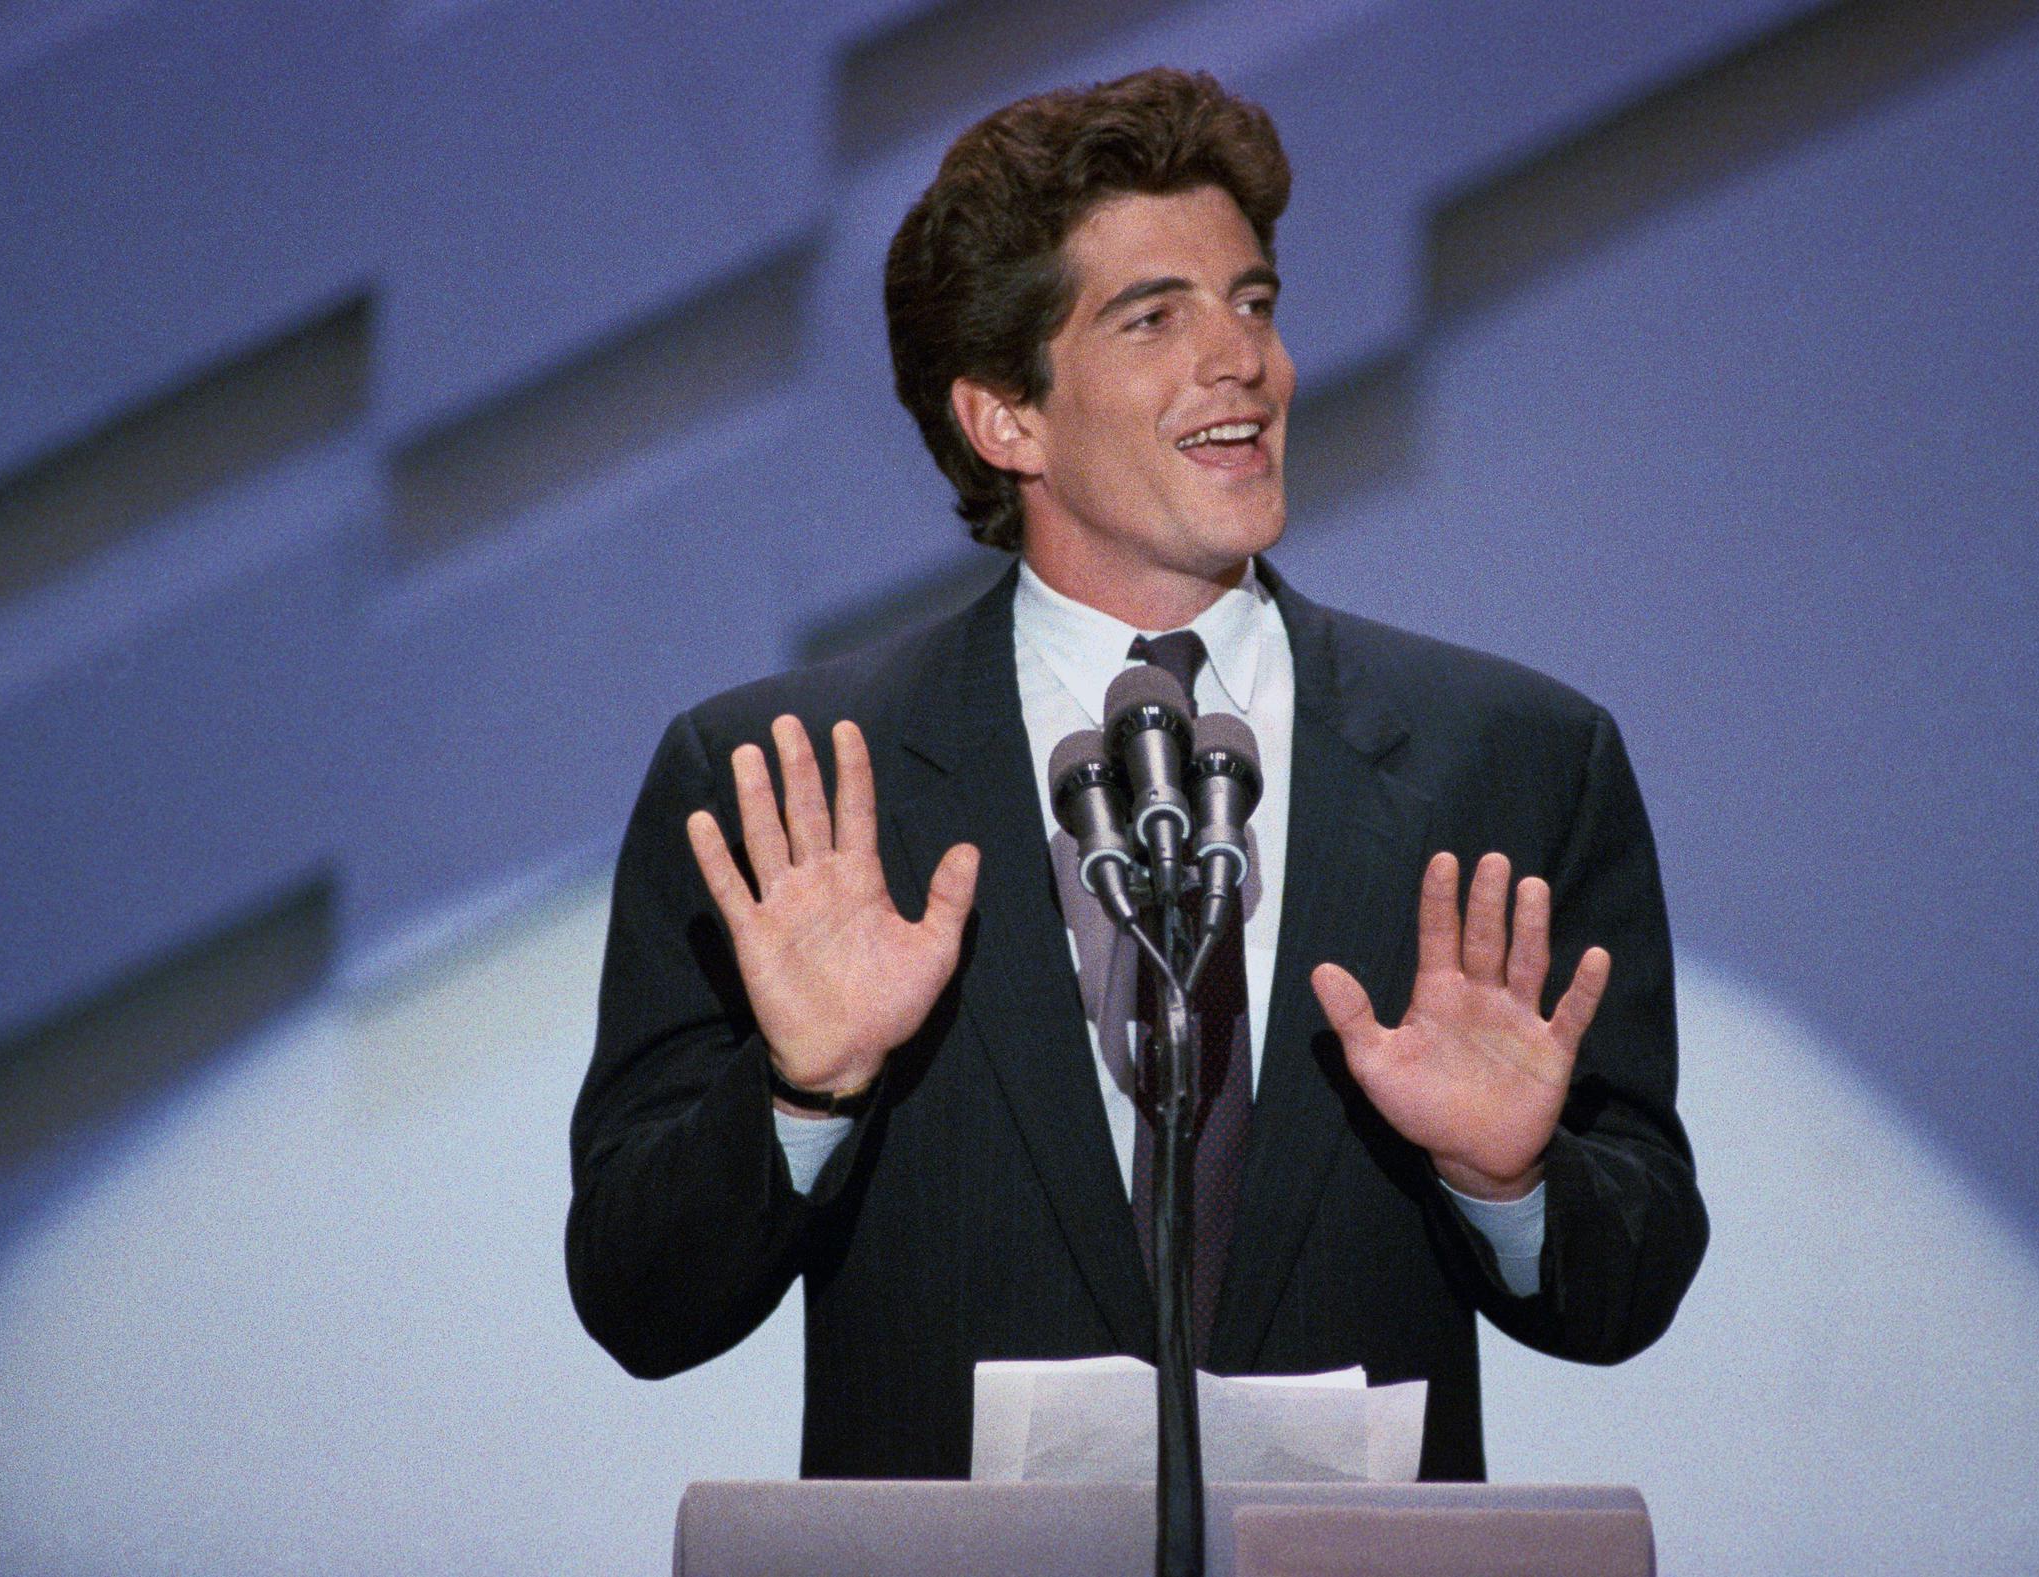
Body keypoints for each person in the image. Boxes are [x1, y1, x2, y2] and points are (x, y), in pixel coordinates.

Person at [565, 67, 1706, 1481]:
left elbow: (1628, 1287)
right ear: (1007, 419)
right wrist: (805, 1092)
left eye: (1255, 301)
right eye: (1154, 316)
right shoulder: (780, 785)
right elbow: (638, 1297)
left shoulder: (1517, 759)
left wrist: (1510, 1182)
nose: (1245, 360)